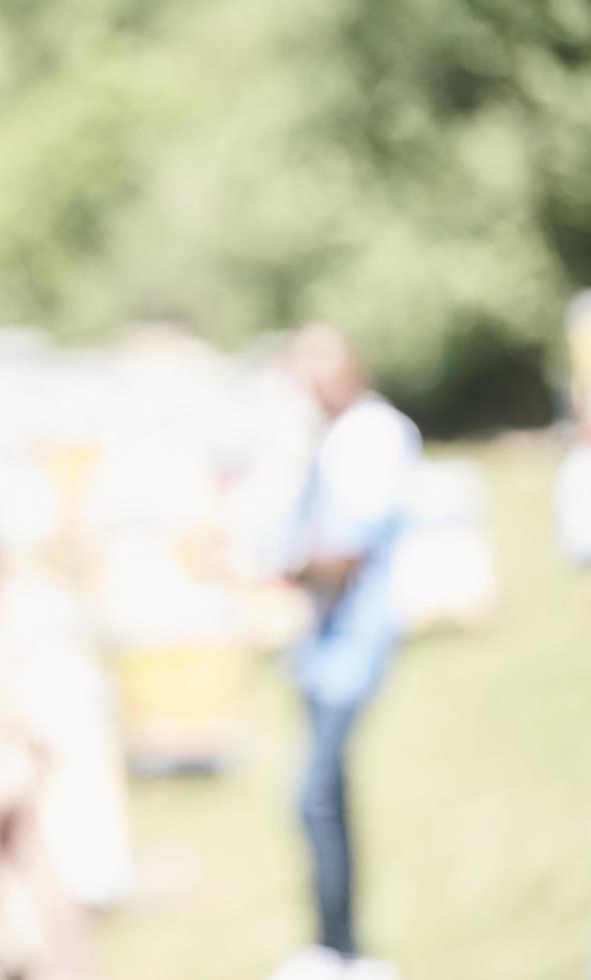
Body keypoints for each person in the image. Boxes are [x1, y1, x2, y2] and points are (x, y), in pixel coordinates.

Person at [270, 324, 418, 980]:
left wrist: (280, 568)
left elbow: (348, 548)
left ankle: (342, 950)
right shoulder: (333, 435)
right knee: (323, 793)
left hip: (355, 639)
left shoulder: (372, 434)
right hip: (325, 643)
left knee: (314, 795)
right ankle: (336, 940)